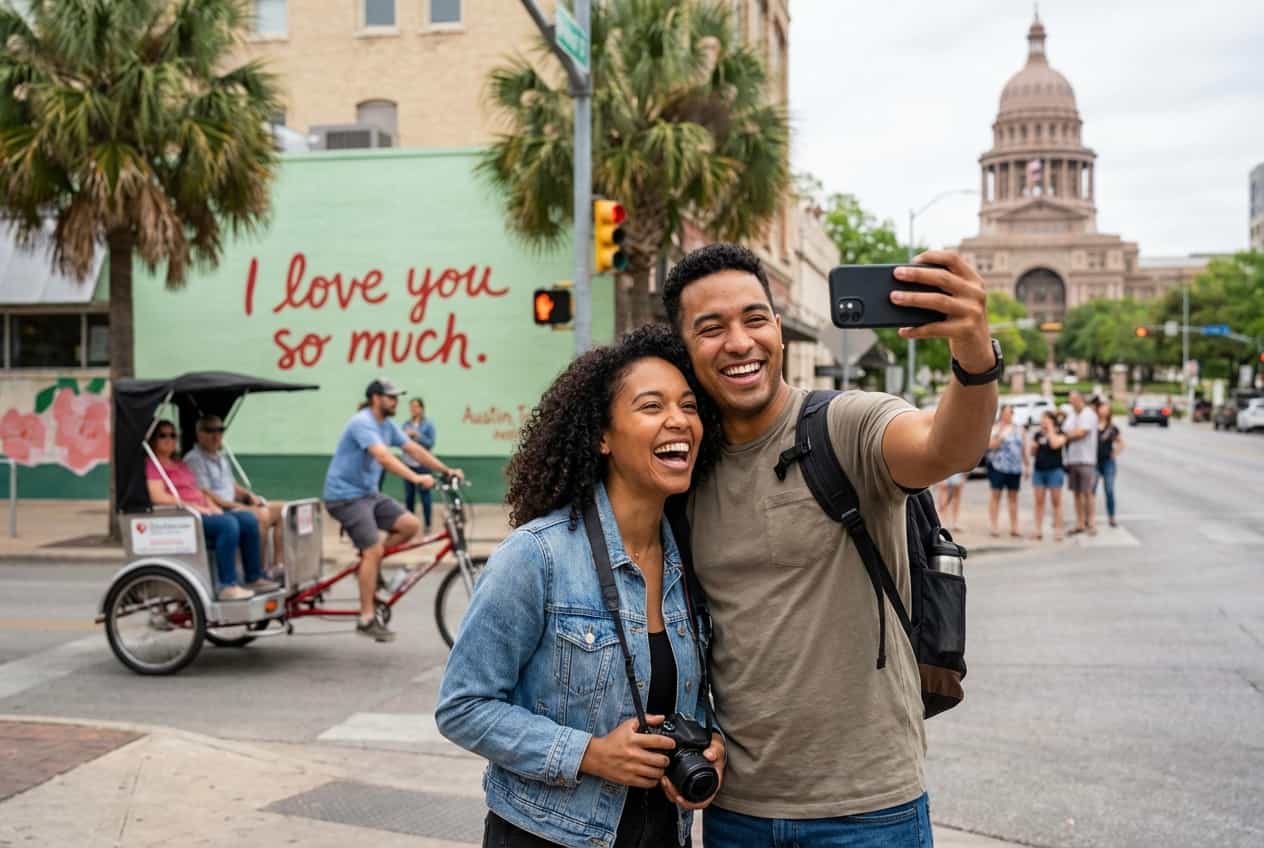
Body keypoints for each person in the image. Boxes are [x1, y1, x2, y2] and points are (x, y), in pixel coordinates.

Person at [662, 243, 998, 847]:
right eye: (710, 329)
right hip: (736, 809)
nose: (739, 342)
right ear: (683, 351)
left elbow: (947, 447)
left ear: (779, 331)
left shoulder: (846, 425)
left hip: (870, 811)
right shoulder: (684, 471)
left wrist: (974, 354)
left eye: (755, 319)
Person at [435, 325, 725, 848]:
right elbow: (463, 706)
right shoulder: (537, 555)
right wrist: (588, 754)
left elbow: (687, 693)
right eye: (652, 406)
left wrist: (710, 744)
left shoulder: (691, 557)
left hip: (664, 834)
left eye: (688, 406)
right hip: (547, 836)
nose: (678, 420)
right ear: (603, 435)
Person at [323, 377, 463, 642]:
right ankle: (366, 618)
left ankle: (367, 567)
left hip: (368, 495)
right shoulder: (362, 422)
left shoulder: (387, 426)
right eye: (391, 397)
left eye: (397, 397)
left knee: (410, 525)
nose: (395, 401)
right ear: (376, 398)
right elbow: (384, 457)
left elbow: (415, 449)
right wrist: (416, 478)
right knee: (373, 549)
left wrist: (445, 470)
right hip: (345, 498)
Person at [145, 420, 278, 601]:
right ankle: (227, 585)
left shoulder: (179, 464)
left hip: (201, 510)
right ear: (153, 439)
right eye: (163, 435)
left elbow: (197, 490)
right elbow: (158, 496)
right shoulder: (152, 466)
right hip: (183, 516)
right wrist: (191, 506)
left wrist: (211, 505)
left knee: (247, 520)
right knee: (228, 525)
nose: (169, 439)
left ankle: (253, 577)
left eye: (173, 435)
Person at [184, 415, 287, 575]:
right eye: (210, 430)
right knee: (262, 516)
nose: (216, 435)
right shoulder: (194, 459)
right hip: (219, 509)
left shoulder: (220, 456)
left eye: (220, 430)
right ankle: (260, 571)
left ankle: (278, 566)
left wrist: (249, 496)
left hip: (233, 504)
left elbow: (230, 485)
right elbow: (206, 493)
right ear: (199, 434)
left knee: (284, 510)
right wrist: (239, 506)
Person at [986, 404, 1028, 538]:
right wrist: (1001, 434)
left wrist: (1026, 465)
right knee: (996, 496)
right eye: (1007, 412)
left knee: (1013, 497)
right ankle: (994, 525)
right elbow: (991, 446)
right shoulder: (995, 428)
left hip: (1014, 468)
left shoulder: (1019, 429)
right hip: (998, 467)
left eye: (1011, 412)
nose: (1009, 415)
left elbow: (1023, 448)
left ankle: (1014, 526)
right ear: (1002, 413)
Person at [1062, 390, 1099, 536]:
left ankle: (1091, 523)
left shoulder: (1089, 414)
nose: (1071, 402)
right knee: (1076, 493)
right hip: (1073, 458)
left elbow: (1082, 433)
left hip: (1086, 459)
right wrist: (1071, 434)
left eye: (1073, 399)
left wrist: (1071, 434)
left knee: (1087, 493)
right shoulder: (1072, 415)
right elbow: (1065, 431)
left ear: (1080, 399)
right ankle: (1080, 523)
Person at [1029, 410, 1067, 541]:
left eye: (1046, 419)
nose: (1043, 422)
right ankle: (1038, 529)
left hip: (1055, 470)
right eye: (1042, 419)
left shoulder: (1060, 433)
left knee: (1056, 502)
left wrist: (1050, 430)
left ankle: (1058, 529)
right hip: (1039, 470)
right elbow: (1032, 452)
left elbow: (1055, 444)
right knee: (1039, 502)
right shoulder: (1038, 434)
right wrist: (1033, 447)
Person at [400, 398, 437, 533]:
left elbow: (430, 443)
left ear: (421, 408)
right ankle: (410, 526)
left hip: (423, 465)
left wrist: (417, 435)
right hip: (408, 464)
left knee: (425, 496)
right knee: (409, 497)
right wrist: (405, 437)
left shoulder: (428, 425)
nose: (413, 409)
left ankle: (427, 525)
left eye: (416, 407)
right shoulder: (406, 424)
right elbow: (401, 442)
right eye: (411, 407)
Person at [1095, 398, 1124, 528]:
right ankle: (1089, 517)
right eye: (1102, 408)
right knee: (1090, 490)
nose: (1104, 411)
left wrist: (1115, 453)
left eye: (1106, 408)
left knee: (1109, 489)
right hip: (1094, 461)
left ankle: (1111, 516)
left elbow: (1121, 443)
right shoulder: (1092, 425)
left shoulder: (1112, 428)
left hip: (1108, 461)